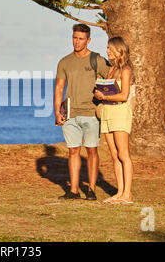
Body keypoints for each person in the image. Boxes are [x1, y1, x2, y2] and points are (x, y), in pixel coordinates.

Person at [54, 24, 110, 201]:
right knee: (73, 151)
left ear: (88, 40)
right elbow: (59, 87)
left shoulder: (96, 60)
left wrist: (105, 97)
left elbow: (111, 78)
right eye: (74, 37)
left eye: (81, 38)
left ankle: (91, 189)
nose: (77, 42)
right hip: (70, 113)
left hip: (91, 113)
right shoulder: (64, 62)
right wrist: (57, 111)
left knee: (92, 150)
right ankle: (74, 190)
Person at [94, 37, 134, 205]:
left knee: (123, 154)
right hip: (108, 111)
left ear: (119, 51)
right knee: (114, 155)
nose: (108, 51)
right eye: (107, 48)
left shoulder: (126, 70)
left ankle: (128, 194)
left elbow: (124, 95)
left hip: (120, 113)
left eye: (110, 49)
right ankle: (119, 192)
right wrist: (99, 95)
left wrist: (106, 96)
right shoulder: (111, 70)